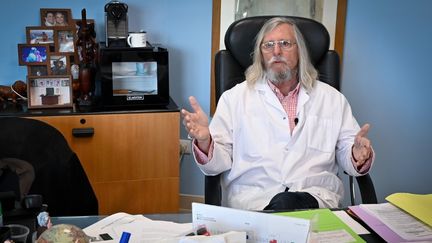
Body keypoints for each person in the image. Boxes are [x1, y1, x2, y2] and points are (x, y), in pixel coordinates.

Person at [181, 17, 374, 211]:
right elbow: (217, 164)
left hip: (316, 199)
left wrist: (356, 155)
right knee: (281, 212)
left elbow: (348, 153)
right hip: (255, 201)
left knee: (289, 209)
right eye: (268, 45)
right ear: (260, 54)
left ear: (300, 50)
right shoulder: (234, 99)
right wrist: (205, 142)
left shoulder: (332, 99)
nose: (276, 51)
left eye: (285, 44)